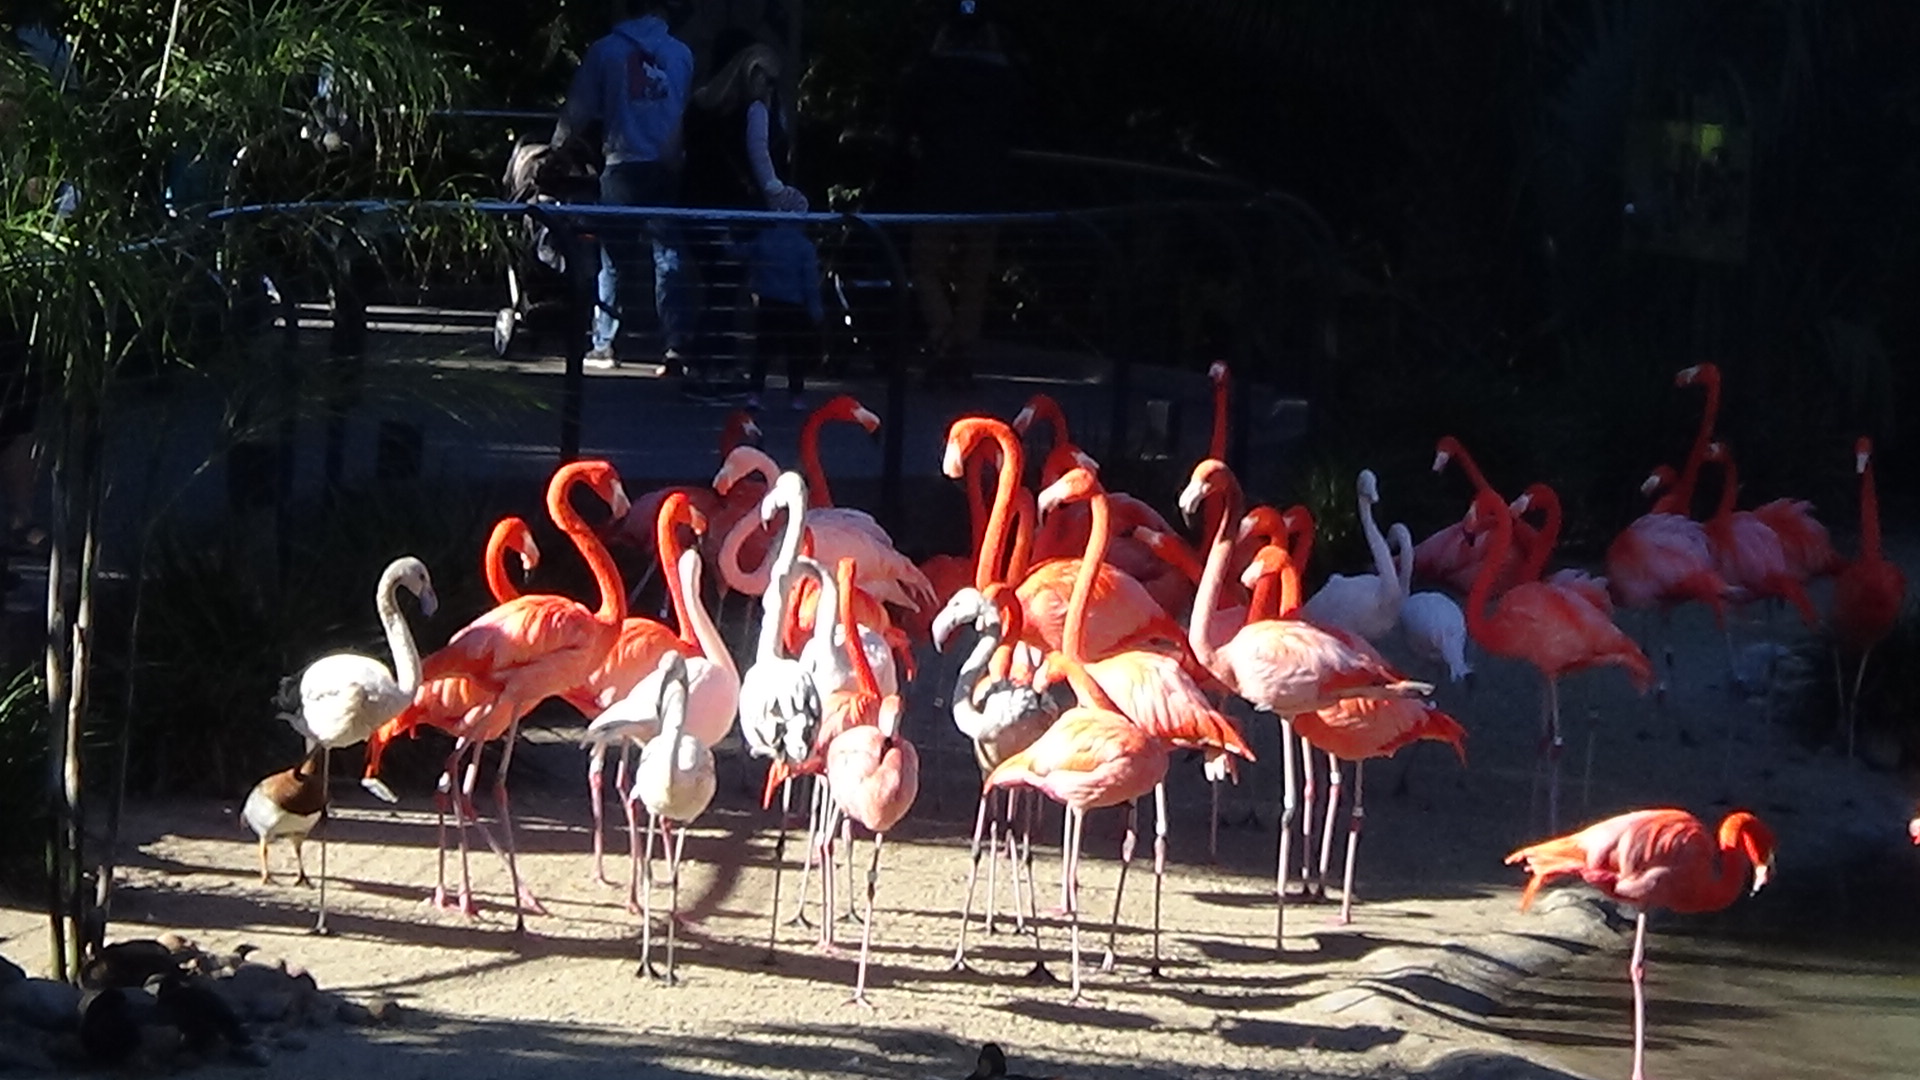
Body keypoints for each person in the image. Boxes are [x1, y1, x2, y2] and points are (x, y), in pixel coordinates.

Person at [552, 0, 696, 373]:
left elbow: (579, 108)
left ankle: (605, 344)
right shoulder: (680, 53)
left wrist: (556, 149)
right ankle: (675, 344)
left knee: (612, 258)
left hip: (621, 163)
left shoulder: (606, 50)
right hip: (666, 165)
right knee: (668, 257)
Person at [901, 1, 1029, 387]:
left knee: (924, 267)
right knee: (977, 275)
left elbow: (904, 126)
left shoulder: (927, 73)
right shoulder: (1005, 78)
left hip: (937, 187)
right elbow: (1021, 128)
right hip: (987, 189)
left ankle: (944, 343)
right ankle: (964, 350)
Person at [683, 41, 810, 403]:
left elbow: (675, 151)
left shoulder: (700, 103)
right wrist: (781, 198)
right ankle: (709, 370)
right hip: (736, 210)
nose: (772, 87)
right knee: (724, 289)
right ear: (754, 74)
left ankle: (711, 367)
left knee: (716, 288)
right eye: (769, 79)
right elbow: (761, 160)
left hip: (691, 206)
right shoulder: (753, 111)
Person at [740, 222, 823, 411]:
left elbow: (747, 257)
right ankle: (796, 396)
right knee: (795, 352)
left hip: (768, 301)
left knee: (763, 350)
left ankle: (754, 394)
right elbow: (810, 281)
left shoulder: (764, 238)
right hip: (794, 305)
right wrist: (816, 310)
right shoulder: (804, 246)